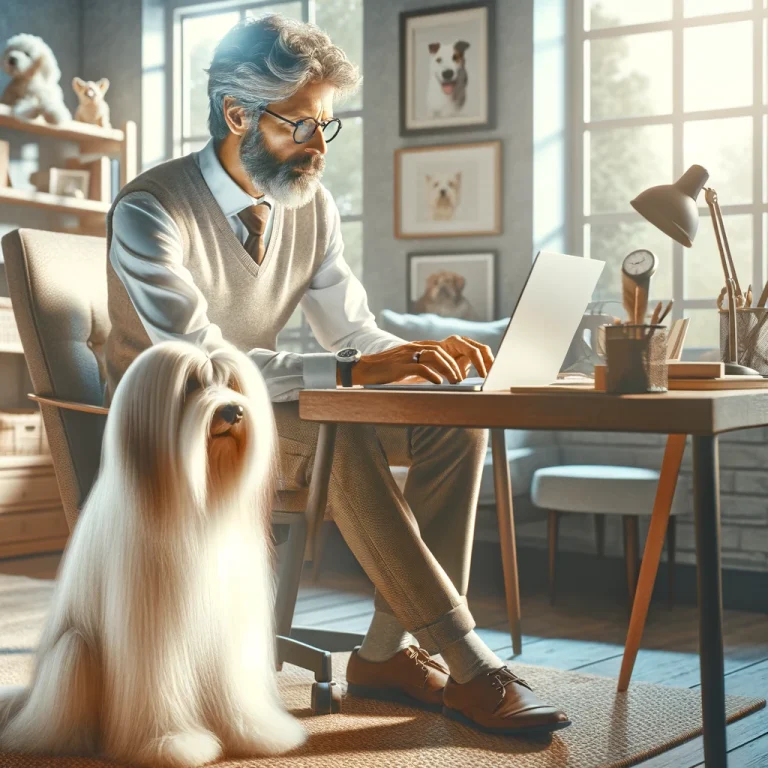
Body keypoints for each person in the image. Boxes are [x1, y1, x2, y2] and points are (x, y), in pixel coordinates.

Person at [103, 14, 569, 736]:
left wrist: (423, 366)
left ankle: (384, 654)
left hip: (257, 409)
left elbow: (351, 332)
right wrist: (356, 370)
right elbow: (201, 357)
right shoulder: (149, 211)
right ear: (237, 114)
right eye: (303, 126)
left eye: (328, 126)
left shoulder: (309, 205)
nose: (319, 147)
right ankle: (469, 662)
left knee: (453, 427)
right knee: (337, 433)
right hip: (172, 421)